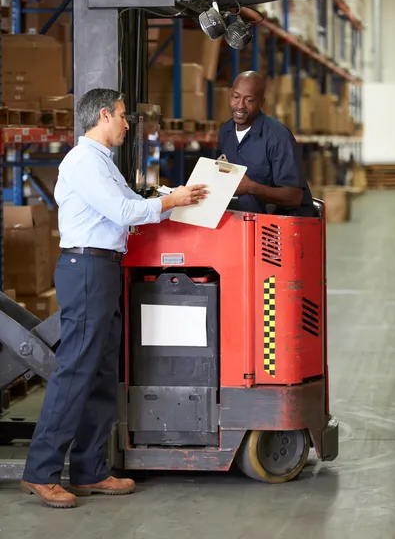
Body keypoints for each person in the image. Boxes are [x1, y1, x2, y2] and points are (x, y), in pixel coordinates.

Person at [20, 88, 207, 509]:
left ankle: (89, 470)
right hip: (85, 270)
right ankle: (41, 471)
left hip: (103, 268)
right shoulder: (84, 161)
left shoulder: (102, 163)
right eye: (123, 116)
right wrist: (170, 201)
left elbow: (128, 206)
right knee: (75, 372)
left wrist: (170, 202)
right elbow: (124, 212)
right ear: (103, 115)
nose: (127, 124)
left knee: (103, 371)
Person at [218, 71, 315, 217]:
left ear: (261, 103)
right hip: (247, 220)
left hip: (283, 225)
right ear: (230, 94)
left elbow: (294, 197)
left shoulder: (278, 137)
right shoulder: (226, 132)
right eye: (236, 97)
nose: (240, 106)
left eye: (249, 100)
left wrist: (251, 187)